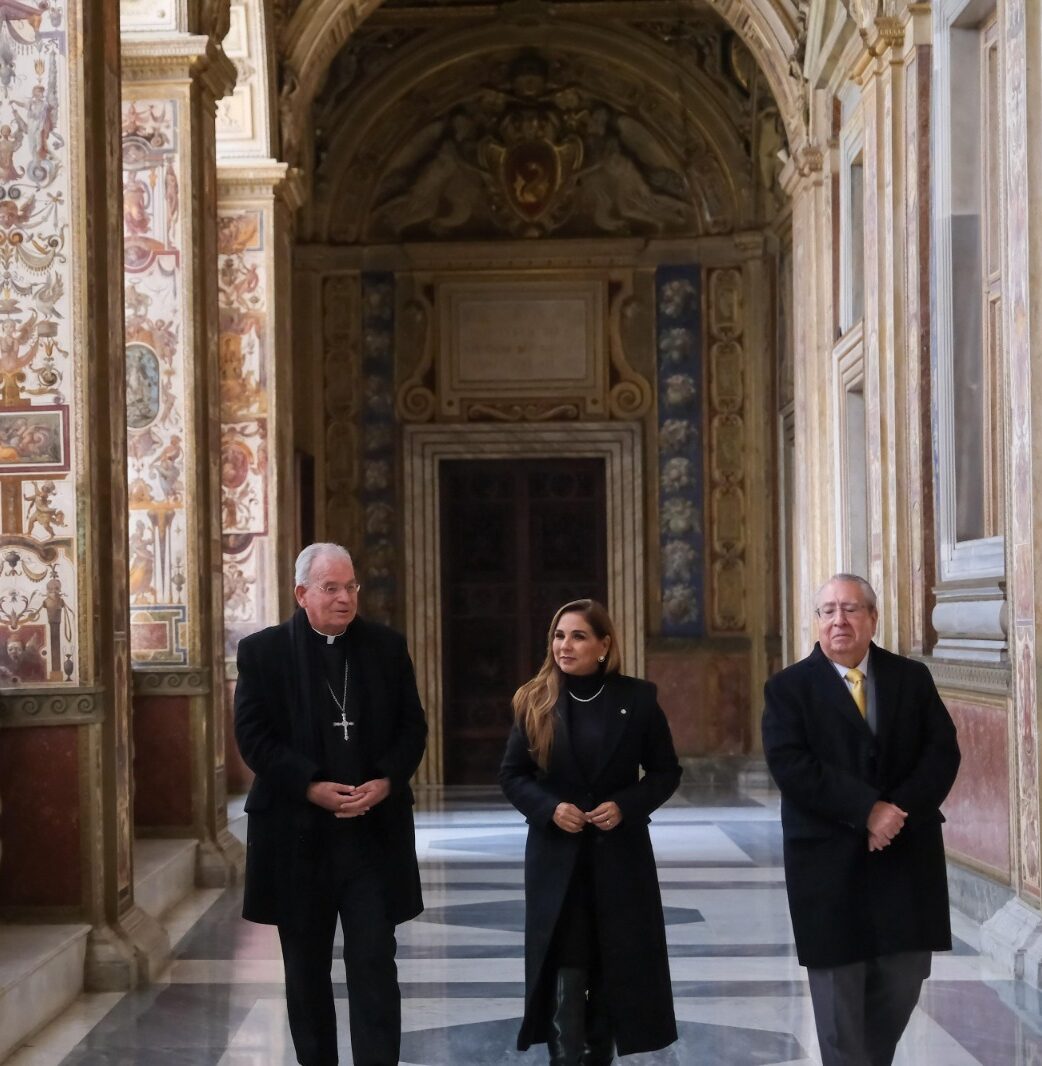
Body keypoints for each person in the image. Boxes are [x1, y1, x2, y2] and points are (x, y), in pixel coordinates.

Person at [234, 543, 427, 1066]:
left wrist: (387, 779)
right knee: (305, 968)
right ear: (302, 594)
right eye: (331, 588)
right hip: (298, 837)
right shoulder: (262, 653)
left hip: (370, 835)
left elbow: (413, 726)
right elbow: (253, 737)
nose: (345, 598)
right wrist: (310, 785)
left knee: (373, 962)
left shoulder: (386, 648)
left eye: (351, 587)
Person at [761, 573, 961, 1066]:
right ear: (816, 622)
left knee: (905, 974)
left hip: (904, 853)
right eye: (827, 611)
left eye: (850, 609)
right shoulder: (788, 688)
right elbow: (793, 766)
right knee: (838, 1001)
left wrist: (897, 812)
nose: (839, 620)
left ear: (873, 618)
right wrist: (866, 811)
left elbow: (942, 753)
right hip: (827, 860)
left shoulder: (910, 678)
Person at [499, 599, 680, 1065]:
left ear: (604, 645)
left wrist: (625, 806)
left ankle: (600, 1058)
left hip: (619, 858)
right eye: (559, 636)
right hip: (556, 858)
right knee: (566, 964)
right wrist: (549, 807)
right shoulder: (533, 698)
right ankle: (566, 1058)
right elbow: (513, 775)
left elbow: (665, 772)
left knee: (611, 964)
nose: (565, 645)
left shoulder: (638, 699)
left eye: (578, 636)